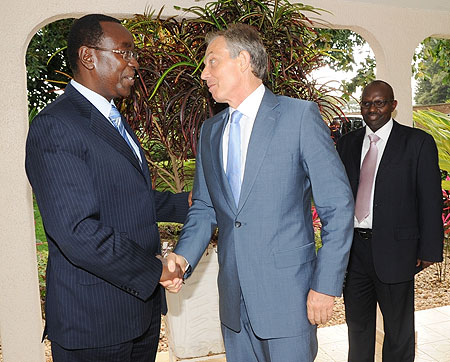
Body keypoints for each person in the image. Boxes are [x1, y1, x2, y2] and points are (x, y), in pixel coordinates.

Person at [165, 23, 354, 362]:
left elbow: (337, 207)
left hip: (290, 297)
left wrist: (326, 284)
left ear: (243, 60)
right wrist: (183, 257)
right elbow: (205, 206)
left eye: (212, 61)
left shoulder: (299, 117)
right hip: (234, 301)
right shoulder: (210, 131)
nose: (204, 74)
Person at [25, 14, 189, 362]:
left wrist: (189, 203)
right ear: (89, 57)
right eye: (125, 52)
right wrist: (155, 270)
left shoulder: (112, 117)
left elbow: (125, 198)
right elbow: (76, 231)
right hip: (94, 323)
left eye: (134, 54)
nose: (135, 63)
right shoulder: (57, 125)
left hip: (137, 315)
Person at [336, 80, 444, 362]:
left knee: (399, 332)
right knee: (357, 329)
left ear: (393, 106)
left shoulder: (417, 142)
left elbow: (430, 199)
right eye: (366, 103)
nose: (372, 109)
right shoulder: (347, 144)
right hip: (354, 253)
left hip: (397, 251)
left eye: (379, 102)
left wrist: (429, 250)